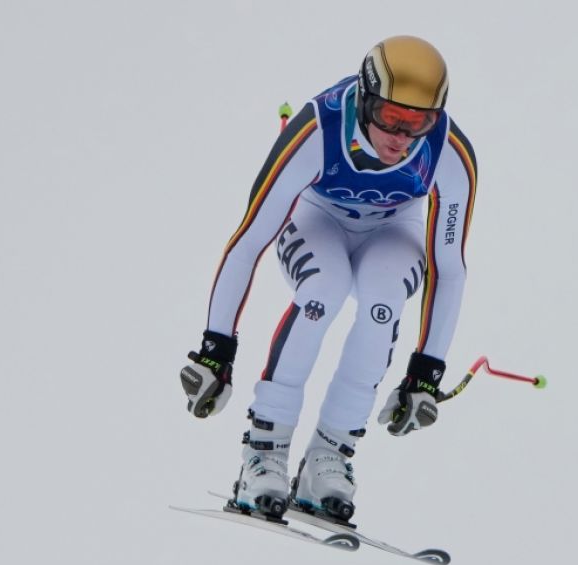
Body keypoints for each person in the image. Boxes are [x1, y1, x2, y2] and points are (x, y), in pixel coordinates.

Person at [178, 35, 477, 524]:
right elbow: (249, 238)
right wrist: (216, 348)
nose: (401, 137)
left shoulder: (449, 150)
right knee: (324, 290)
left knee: (383, 304)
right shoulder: (320, 127)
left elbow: (450, 265)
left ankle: (330, 456)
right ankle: (265, 452)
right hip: (318, 216)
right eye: (390, 118)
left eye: (418, 123)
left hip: (393, 225)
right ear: (365, 97)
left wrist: (426, 373)